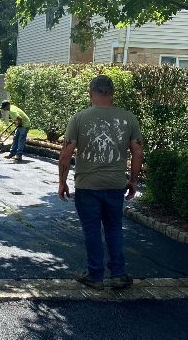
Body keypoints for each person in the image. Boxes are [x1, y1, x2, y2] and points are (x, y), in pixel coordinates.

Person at [58, 74, 143, 290]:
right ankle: (118, 274)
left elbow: (66, 153)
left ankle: (95, 275)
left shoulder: (79, 118)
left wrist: (62, 181)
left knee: (92, 230)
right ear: (112, 94)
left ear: (90, 93)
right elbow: (137, 152)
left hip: (87, 186)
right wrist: (133, 181)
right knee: (114, 228)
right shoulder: (128, 118)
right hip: (115, 184)